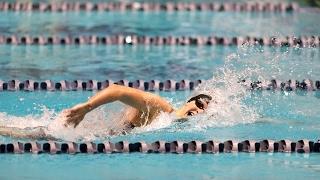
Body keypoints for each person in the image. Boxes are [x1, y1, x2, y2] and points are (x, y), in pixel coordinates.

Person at [0, 84, 212, 140]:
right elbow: (116, 90)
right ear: (189, 100)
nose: (200, 111)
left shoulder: (169, 124)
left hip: (90, 135)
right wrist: (86, 108)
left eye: (206, 111)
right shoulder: (162, 108)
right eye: (200, 104)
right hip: (78, 133)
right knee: (32, 135)